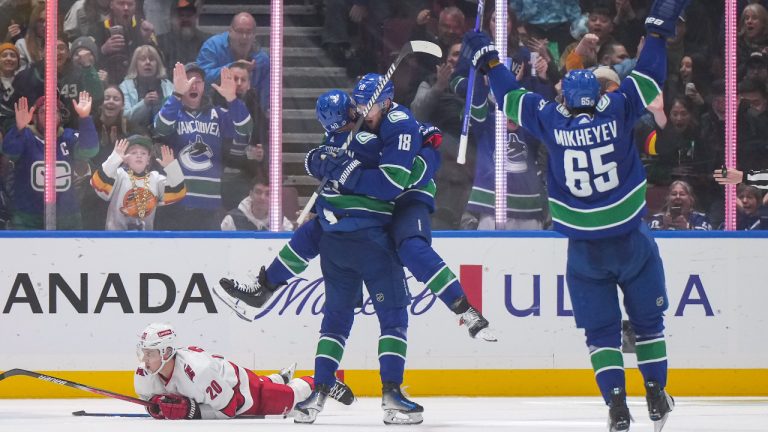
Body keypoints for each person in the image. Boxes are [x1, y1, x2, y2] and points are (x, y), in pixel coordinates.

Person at [462, 0, 689, 430]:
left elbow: (510, 97)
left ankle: (616, 405)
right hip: (631, 241)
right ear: (599, 95)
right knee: (648, 326)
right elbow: (650, 75)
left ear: (568, 96)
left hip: (585, 250)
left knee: (601, 334)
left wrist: (489, 59)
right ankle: (656, 394)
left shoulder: (550, 119)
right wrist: (657, 32)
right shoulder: (619, 108)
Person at [217, 88, 495, 342]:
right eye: (357, 107)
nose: (361, 113)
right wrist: (319, 160)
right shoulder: (349, 131)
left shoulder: (397, 127)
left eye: (364, 108)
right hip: (374, 208)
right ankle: (264, 288)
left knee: (412, 249)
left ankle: (465, 309)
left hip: (407, 201)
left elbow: (404, 175)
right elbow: (321, 157)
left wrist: (351, 170)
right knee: (314, 231)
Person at [134, 322, 354, 420]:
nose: (144, 360)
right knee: (268, 383)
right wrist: (156, 409)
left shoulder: (199, 373)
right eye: (144, 352)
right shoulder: (144, 374)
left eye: (150, 353)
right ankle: (278, 378)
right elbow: (150, 402)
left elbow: (231, 408)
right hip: (222, 376)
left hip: (241, 391)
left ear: (167, 352)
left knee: (289, 398)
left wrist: (194, 412)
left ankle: (323, 381)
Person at [153, 62, 253, 230]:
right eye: (188, 80)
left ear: (204, 86)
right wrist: (176, 94)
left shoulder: (218, 114)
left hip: (209, 204)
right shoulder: (172, 112)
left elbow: (245, 129)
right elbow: (160, 128)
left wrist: (232, 100)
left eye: (198, 81)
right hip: (176, 202)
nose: (193, 84)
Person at [1, 91, 97, 229]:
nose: (49, 116)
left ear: (60, 116)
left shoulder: (68, 136)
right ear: (34, 117)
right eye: (44, 111)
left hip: (67, 216)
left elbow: (90, 150)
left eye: (54, 112)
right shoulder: (26, 136)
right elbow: (9, 151)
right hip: (27, 217)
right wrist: (18, 129)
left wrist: (85, 118)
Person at [90, 135, 186, 230]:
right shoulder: (119, 175)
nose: (139, 155)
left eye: (143, 153)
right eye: (133, 152)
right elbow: (98, 184)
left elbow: (178, 193)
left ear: (148, 160)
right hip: (116, 238)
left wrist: (172, 168)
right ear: (125, 159)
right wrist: (114, 159)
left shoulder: (156, 179)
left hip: (146, 240)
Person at [196, 12, 269, 109]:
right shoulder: (212, 46)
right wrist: (231, 68)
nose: (244, 37)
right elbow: (200, 78)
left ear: (254, 35)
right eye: (239, 31)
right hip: (211, 109)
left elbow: (266, 95)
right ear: (230, 31)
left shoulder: (262, 59)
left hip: (247, 111)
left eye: (249, 32)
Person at [119, 45, 174, 130]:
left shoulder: (168, 85)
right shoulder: (126, 86)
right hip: (134, 135)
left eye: (152, 59)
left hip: (165, 135)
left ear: (158, 64)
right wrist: (144, 103)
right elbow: (125, 117)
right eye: (142, 59)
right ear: (135, 64)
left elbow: (175, 114)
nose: (148, 62)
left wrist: (158, 105)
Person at [220, 178, 293, 231]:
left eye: (268, 194)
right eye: (258, 192)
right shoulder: (231, 220)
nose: (262, 197)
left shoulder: (281, 221)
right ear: (251, 194)